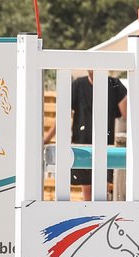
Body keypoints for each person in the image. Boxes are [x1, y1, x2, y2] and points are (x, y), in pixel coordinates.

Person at [42, 71, 128, 201]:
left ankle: (101, 216)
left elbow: (128, 116)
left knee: (102, 189)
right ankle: (91, 217)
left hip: (107, 145)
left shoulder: (115, 84)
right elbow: (63, 117)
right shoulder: (78, 85)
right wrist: (46, 139)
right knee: (87, 190)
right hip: (82, 145)